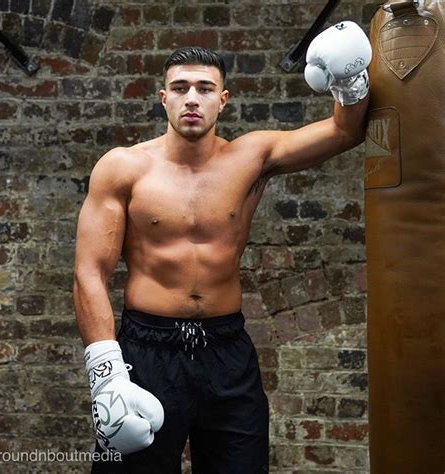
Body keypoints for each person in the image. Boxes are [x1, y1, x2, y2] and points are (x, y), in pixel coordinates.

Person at [73, 21, 371, 474]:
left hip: (226, 352)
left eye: (205, 89)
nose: (192, 98)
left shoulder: (252, 157)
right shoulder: (123, 168)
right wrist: (106, 374)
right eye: (181, 88)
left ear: (223, 100)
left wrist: (350, 81)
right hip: (146, 351)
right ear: (163, 98)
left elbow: (344, 132)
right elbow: (89, 272)